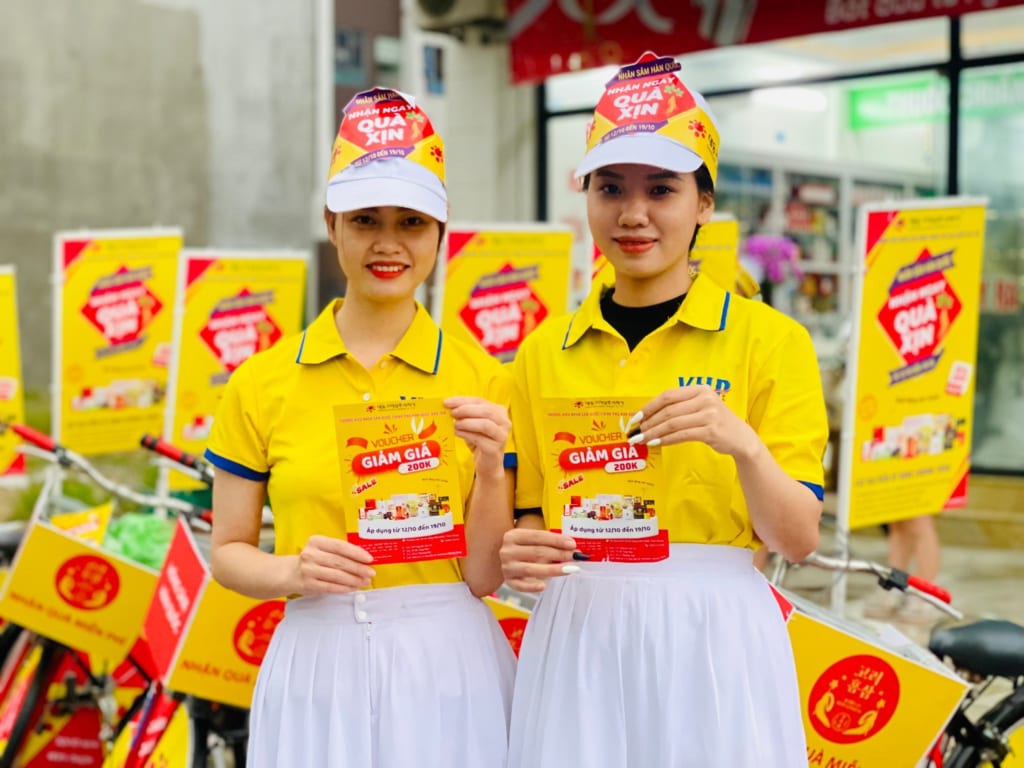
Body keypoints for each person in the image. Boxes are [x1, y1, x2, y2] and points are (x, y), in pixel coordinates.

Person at [499, 53, 829, 767]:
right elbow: (529, 518)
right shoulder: (541, 352)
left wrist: (742, 444)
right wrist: (521, 549)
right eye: (610, 187)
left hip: (714, 633)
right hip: (578, 632)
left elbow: (798, 539)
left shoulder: (769, 341)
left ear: (704, 203)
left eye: (662, 189)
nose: (633, 214)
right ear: (586, 195)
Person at [205, 87, 515, 768]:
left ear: (441, 232)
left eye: (412, 222)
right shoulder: (261, 381)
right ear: (331, 223)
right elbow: (227, 551)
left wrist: (493, 469)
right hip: (316, 661)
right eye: (365, 219)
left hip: (449, 666)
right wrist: (291, 569)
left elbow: (484, 576)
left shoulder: (487, 381)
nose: (388, 243)